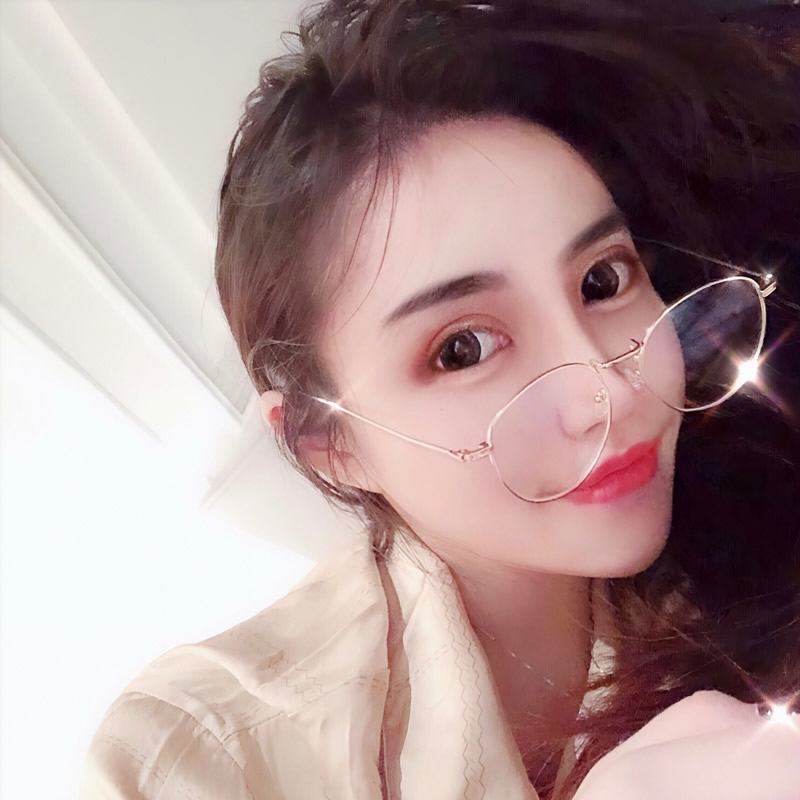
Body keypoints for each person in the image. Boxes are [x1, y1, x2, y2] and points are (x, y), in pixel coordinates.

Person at [77, 1, 800, 798]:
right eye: (464, 349)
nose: (607, 396)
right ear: (328, 443)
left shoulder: (747, 540)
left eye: (602, 280)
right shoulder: (200, 759)